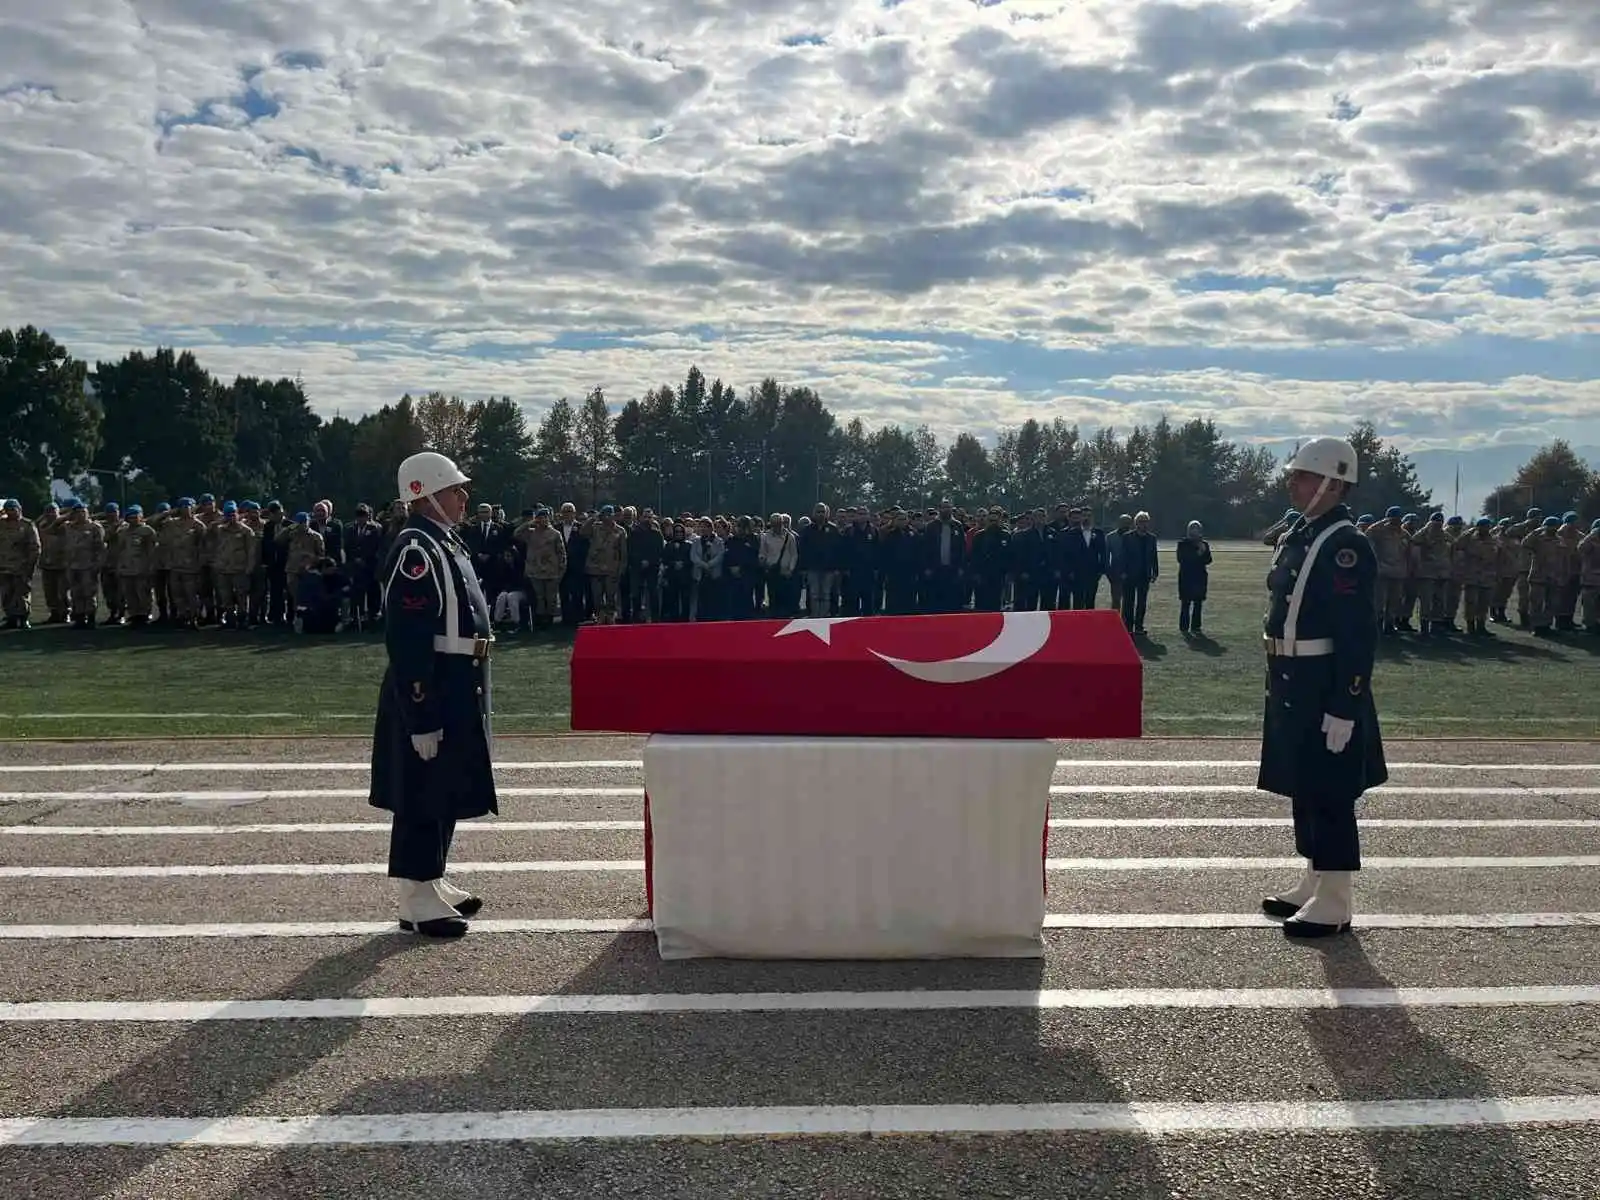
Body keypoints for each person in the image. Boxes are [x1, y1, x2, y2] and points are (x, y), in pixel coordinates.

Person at [1257, 436, 1388, 939]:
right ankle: (1313, 879)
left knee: (1330, 789)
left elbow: (1357, 633)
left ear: (1333, 484)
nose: (1292, 483)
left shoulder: (1344, 543)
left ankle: (1335, 898)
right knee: (1304, 783)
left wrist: (1345, 703)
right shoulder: (1306, 533)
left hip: (1324, 682)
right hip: (1293, 678)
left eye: (1303, 476)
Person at [368, 450, 498, 939]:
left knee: (445, 782)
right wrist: (420, 711)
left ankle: (432, 876)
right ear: (427, 496)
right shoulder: (416, 550)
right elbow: (409, 638)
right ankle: (415, 894)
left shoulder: (442, 542)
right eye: (454, 490)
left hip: (458, 676)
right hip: (434, 681)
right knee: (421, 789)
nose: (464, 497)